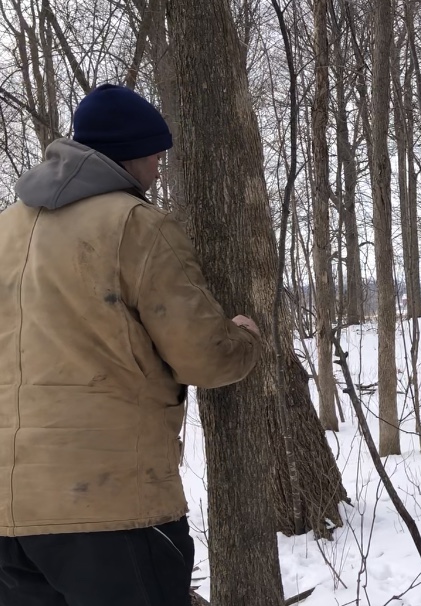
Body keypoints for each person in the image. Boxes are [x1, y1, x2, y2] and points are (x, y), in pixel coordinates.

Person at [0, 83, 261, 605]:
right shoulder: (135, 226)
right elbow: (205, 358)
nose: (158, 170)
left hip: (10, 515)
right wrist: (246, 339)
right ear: (135, 156)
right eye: (156, 157)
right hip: (111, 507)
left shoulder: (5, 229)